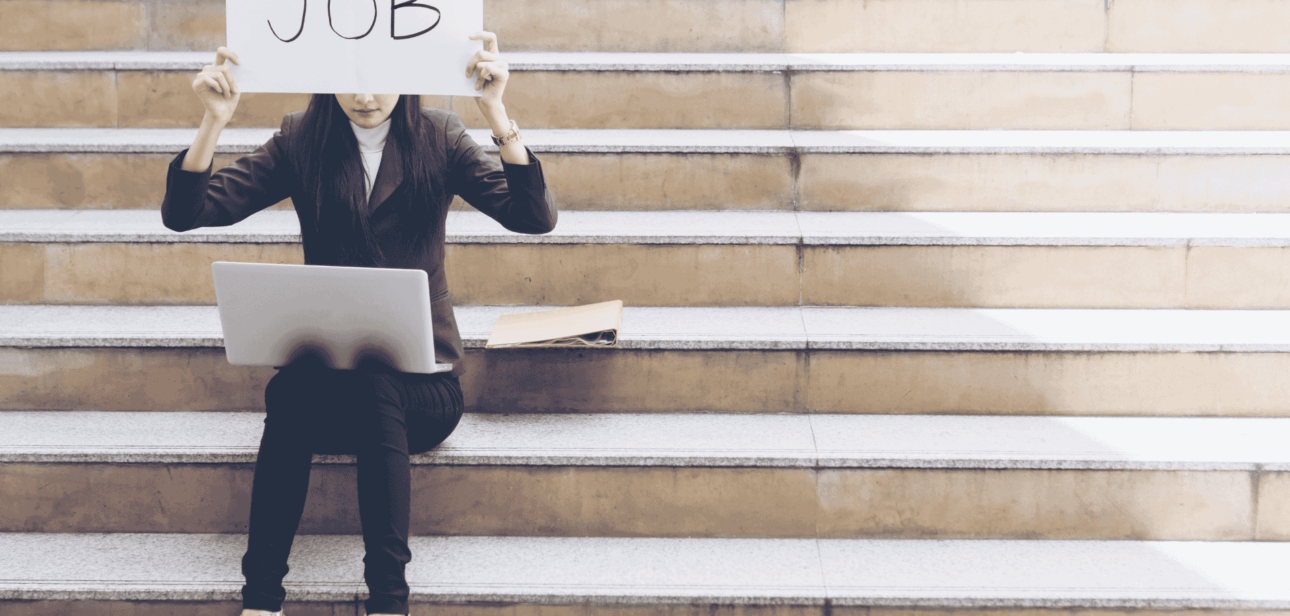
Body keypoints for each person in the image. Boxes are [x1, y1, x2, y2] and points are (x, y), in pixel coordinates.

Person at [160, 33, 556, 616]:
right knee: (290, 388)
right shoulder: (302, 138)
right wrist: (213, 122)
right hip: (327, 391)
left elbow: (533, 217)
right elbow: (186, 213)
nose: (365, 95)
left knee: (376, 382)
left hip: (424, 390)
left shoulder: (440, 136)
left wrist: (496, 113)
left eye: (382, 77)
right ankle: (261, 599)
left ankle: (388, 601)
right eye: (349, 78)